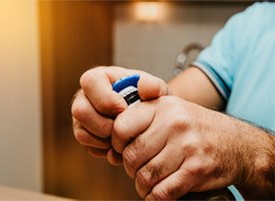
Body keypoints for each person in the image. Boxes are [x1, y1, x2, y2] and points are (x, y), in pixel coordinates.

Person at [71, 2, 275, 200]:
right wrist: (111, 101)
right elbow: (170, 99)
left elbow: (241, 149)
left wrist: (251, 155)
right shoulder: (254, 20)